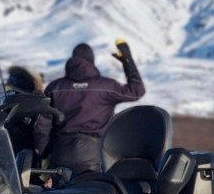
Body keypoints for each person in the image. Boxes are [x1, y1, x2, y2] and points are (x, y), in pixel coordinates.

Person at [33, 39, 145, 178]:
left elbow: (42, 127)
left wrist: (45, 155)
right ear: (91, 61)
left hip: (60, 152)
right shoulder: (106, 87)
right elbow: (137, 90)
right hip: (93, 153)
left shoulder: (54, 88)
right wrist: (127, 61)